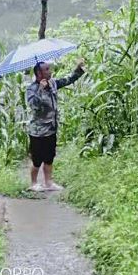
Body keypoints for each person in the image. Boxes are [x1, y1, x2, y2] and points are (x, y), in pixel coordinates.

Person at [25, 59, 85, 191]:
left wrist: (78, 69)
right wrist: (40, 90)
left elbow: (67, 80)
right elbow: (34, 106)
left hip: (51, 128)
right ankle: (33, 183)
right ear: (39, 74)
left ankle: (48, 182)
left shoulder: (52, 83)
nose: (50, 71)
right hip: (38, 131)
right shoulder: (32, 89)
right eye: (47, 69)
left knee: (49, 157)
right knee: (37, 159)